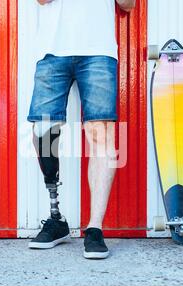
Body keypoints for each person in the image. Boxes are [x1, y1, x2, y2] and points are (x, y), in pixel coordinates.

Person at [28, 0, 136, 259]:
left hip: (98, 50)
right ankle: (56, 220)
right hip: (53, 50)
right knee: (44, 131)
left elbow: (128, 5)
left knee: (101, 132)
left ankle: (94, 228)